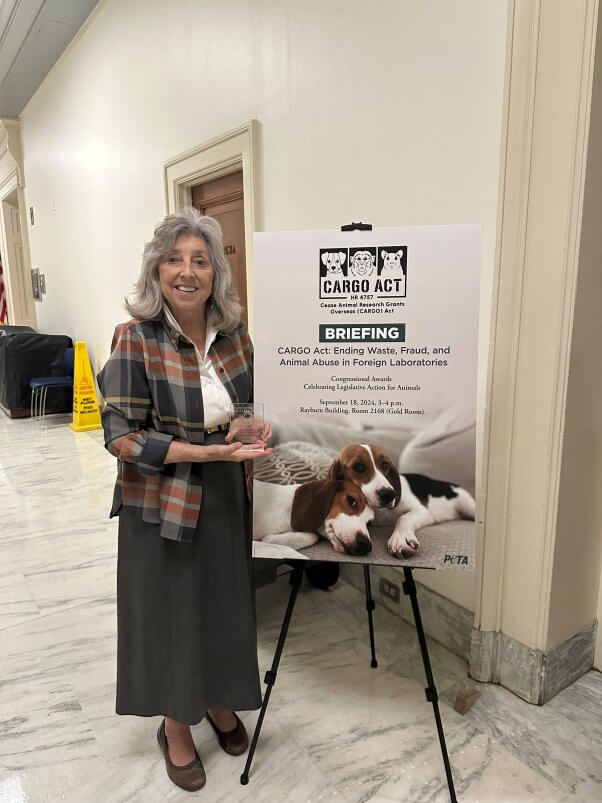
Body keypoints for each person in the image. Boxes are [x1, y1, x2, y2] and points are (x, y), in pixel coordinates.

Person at [97, 207, 271, 792]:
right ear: (156, 271)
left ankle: (221, 699)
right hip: (161, 502)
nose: (187, 271)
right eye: (174, 259)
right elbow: (120, 436)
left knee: (222, 604)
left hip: (224, 496)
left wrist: (245, 432)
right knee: (173, 614)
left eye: (200, 260)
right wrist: (209, 454)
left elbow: (237, 412)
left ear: (216, 273)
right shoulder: (134, 338)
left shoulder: (234, 335)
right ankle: (176, 724)